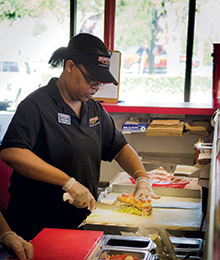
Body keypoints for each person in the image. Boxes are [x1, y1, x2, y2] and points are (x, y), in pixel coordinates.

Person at [0, 33, 160, 241]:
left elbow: (120, 148)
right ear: (69, 66)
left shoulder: (94, 109)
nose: (96, 87)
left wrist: (141, 177)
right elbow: (12, 153)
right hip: (37, 226)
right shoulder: (36, 106)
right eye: (91, 80)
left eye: (100, 83)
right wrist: (68, 182)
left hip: (79, 222)